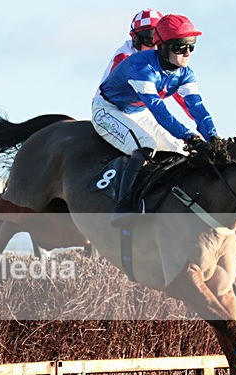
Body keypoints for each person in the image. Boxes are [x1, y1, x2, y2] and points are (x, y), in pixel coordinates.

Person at [92, 14, 220, 227]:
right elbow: (160, 112)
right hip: (109, 110)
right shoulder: (141, 67)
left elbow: (196, 107)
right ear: (163, 47)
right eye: (180, 47)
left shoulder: (185, 73)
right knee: (146, 145)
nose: (187, 53)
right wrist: (191, 136)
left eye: (192, 46)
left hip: (138, 112)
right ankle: (123, 207)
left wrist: (212, 135)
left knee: (181, 151)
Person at [98, 8, 163, 84]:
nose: (155, 48)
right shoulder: (124, 59)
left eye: (160, 42)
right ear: (134, 38)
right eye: (149, 41)